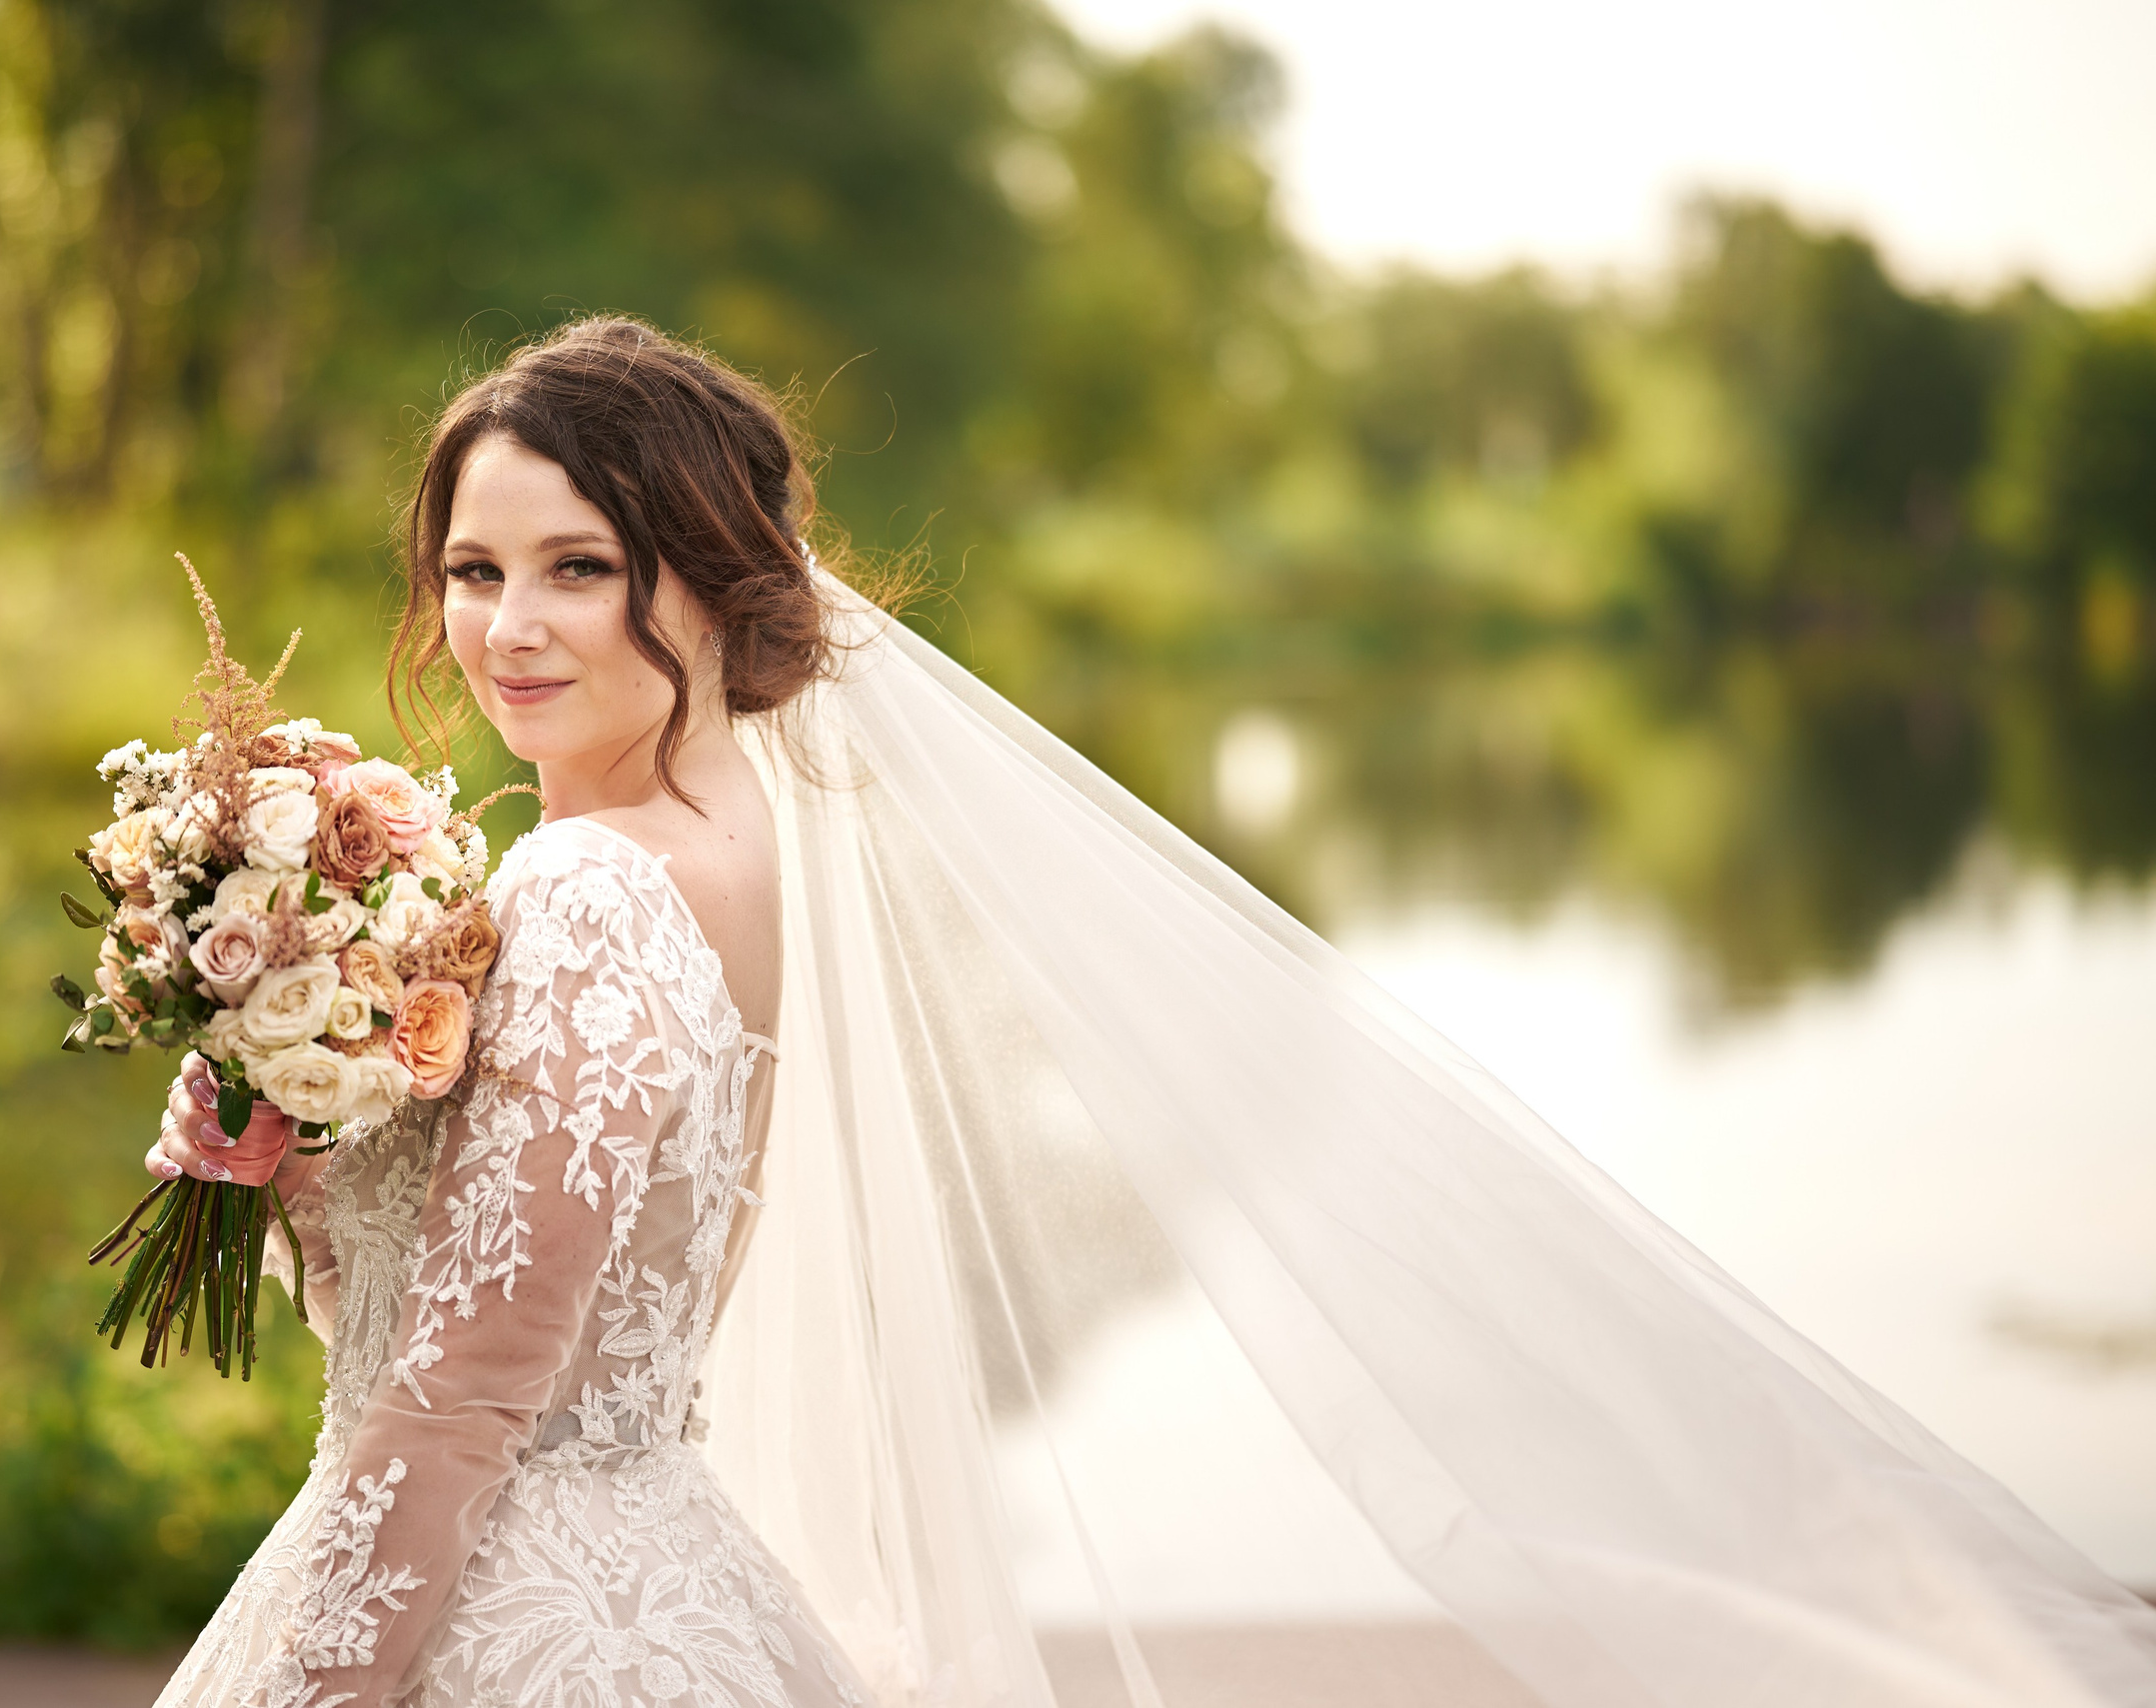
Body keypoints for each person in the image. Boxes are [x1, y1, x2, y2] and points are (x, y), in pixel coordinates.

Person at [149, 318, 2156, 1708]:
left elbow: (470, 1394)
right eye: (473, 568)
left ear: (699, 581)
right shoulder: (717, 844)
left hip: (501, 1615)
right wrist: (299, 1162)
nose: (503, 628)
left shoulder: (586, 890)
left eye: (574, 568)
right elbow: (557, 1317)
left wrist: (325, 1684)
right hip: (627, 1563)